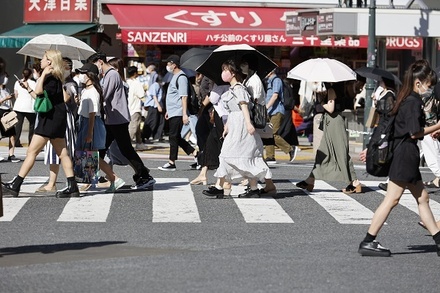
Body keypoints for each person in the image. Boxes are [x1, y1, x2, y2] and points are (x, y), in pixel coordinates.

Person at [358, 59, 440, 257]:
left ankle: (438, 241)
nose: (430, 90)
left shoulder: (406, 98)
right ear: (418, 83)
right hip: (405, 155)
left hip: (405, 154)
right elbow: (414, 133)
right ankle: (368, 240)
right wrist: (438, 126)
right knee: (392, 199)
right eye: (429, 86)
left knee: (423, 198)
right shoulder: (412, 102)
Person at [2, 50, 79, 198]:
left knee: (32, 152)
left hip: (49, 120)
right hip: (56, 119)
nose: (40, 61)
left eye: (43, 59)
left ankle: (16, 185)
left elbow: (38, 92)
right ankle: (72, 186)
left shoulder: (50, 77)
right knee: (63, 153)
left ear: (49, 62)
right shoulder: (57, 77)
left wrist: (43, 74)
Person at [203, 60, 271, 199]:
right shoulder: (232, 89)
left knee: (239, 154)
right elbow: (231, 111)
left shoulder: (239, 88)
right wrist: (227, 126)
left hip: (241, 125)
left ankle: (221, 187)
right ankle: (250, 188)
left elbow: (243, 106)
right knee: (240, 155)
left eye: (225, 70)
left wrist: (248, 124)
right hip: (235, 124)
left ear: (232, 73)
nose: (222, 73)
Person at [88, 52, 156, 190]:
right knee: (101, 148)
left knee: (125, 149)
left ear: (100, 61)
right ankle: (89, 177)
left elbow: (104, 95)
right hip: (112, 119)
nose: (95, 69)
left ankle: (144, 176)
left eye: (95, 65)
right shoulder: (107, 75)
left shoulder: (112, 75)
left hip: (117, 120)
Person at [296, 81, 363, 194]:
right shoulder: (327, 91)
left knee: (340, 153)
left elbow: (331, 108)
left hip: (334, 122)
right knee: (322, 152)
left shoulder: (331, 90)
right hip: (329, 122)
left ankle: (355, 182)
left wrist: (322, 101)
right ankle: (310, 180)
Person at [75, 63, 125, 192]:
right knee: (90, 155)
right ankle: (91, 180)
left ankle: (114, 178)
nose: (80, 75)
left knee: (92, 155)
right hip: (86, 122)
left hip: (90, 123)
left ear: (89, 75)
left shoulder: (92, 91)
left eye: (83, 73)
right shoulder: (88, 90)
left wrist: (89, 133)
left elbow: (92, 113)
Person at [36, 57, 78, 193]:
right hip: (55, 118)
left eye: (66, 67)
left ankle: (72, 182)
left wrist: (61, 85)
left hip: (62, 120)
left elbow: (66, 99)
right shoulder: (58, 80)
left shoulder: (70, 83)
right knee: (55, 153)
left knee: (64, 152)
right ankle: (53, 183)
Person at [158, 54, 198, 171]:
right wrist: (168, 111)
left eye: (168, 64)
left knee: (173, 136)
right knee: (175, 137)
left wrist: (185, 114)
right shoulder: (174, 77)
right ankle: (195, 153)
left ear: (174, 65)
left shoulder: (181, 77)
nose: (167, 66)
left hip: (179, 111)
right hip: (173, 111)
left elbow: (184, 96)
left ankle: (172, 162)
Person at [190, 83, 229, 186]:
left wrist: (213, 90)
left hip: (223, 119)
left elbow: (213, 98)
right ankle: (203, 174)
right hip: (219, 117)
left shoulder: (222, 84)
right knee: (210, 144)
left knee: (222, 147)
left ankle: (224, 180)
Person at [264, 69, 298, 163]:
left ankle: (290, 149)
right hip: (270, 111)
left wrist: (266, 107)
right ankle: (270, 156)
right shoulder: (268, 82)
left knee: (272, 133)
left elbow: (275, 96)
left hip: (277, 111)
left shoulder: (277, 80)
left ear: (271, 72)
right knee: (267, 133)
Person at [13, 68, 36, 147]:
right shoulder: (33, 83)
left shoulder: (17, 82)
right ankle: (31, 142)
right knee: (32, 125)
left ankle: (16, 141)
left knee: (18, 125)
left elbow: (16, 94)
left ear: (22, 74)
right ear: (30, 75)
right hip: (29, 107)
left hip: (19, 106)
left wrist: (18, 100)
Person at [126, 66, 147, 151]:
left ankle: (139, 143)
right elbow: (142, 96)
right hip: (135, 108)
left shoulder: (126, 82)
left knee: (137, 127)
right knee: (133, 127)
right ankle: (128, 144)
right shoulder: (136, 83)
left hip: (127, 108)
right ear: (135, 73)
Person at [142, 75, 164, 144]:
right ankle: (145, 136)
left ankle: (157, 136)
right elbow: (154, 96)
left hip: (157, 106)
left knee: (160, 121)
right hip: (154, 106)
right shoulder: (155, 85)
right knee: (152, 121)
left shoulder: (158, 85)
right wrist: (158, 106)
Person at [0, 89, 19, 162]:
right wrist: (6, 98)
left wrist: (11, 97)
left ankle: (11, 155)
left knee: (12, 134)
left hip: (7, 112)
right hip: (0, 111)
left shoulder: (7, 89)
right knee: (1, 135)